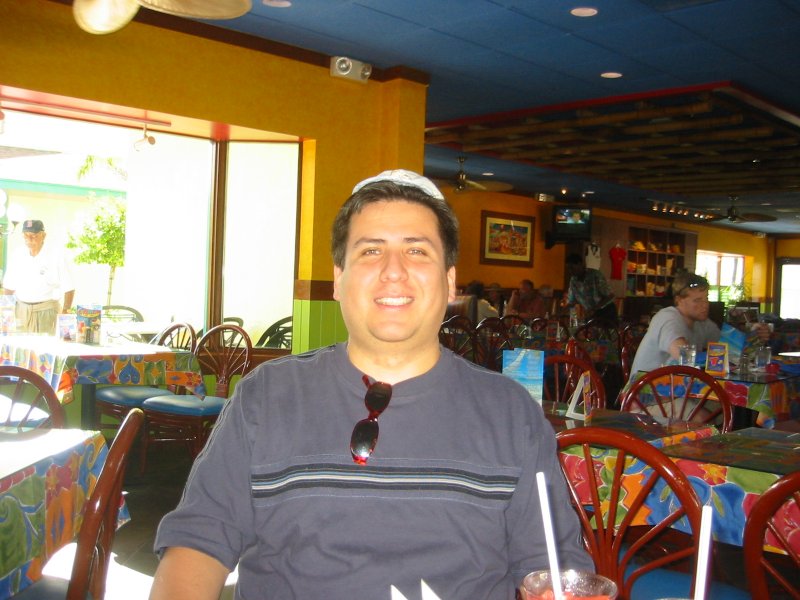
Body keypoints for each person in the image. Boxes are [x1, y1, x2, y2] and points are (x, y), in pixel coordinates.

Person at [149, 170, 592, 600]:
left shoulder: (510, 411)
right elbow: (198, 544)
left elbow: (551, 570)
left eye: (417, 250)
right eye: (370, 251)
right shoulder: (265, 396)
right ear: (338, 280)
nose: (393, 270)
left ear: (449, 281)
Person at [629, 272, 771, 375]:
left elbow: (731, 347)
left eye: (706, 298)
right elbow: (684, 356)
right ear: (679, 300)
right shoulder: (668, 318)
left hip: (678, 390)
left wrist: (755, 335)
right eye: (697, 300)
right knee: (722, 406)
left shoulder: (701, 323)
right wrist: (720, 354)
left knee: (731, 405)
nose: (705, 305)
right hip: (646, 395)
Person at [2, 219, 74, 333]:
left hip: (47, 312)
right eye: (26, 236)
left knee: (44, 344)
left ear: (43, 235)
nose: (29, 239)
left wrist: (66, 311)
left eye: (34, 236)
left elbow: (69, 287)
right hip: (21, 311)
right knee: (19, 343)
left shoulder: (56, 255)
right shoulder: (17, 254)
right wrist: (6, 314)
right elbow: (8, 286)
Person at [561, 252, 617, 322]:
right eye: (568, 268)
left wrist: (595, 309)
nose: (570, 271)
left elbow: (610, 296)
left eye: (572, 268)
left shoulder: (595, 275)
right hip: (591, 313)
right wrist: (562, 313)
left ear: (580, 264)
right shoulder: (573, 280)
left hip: (606, 311)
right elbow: (572, 301)